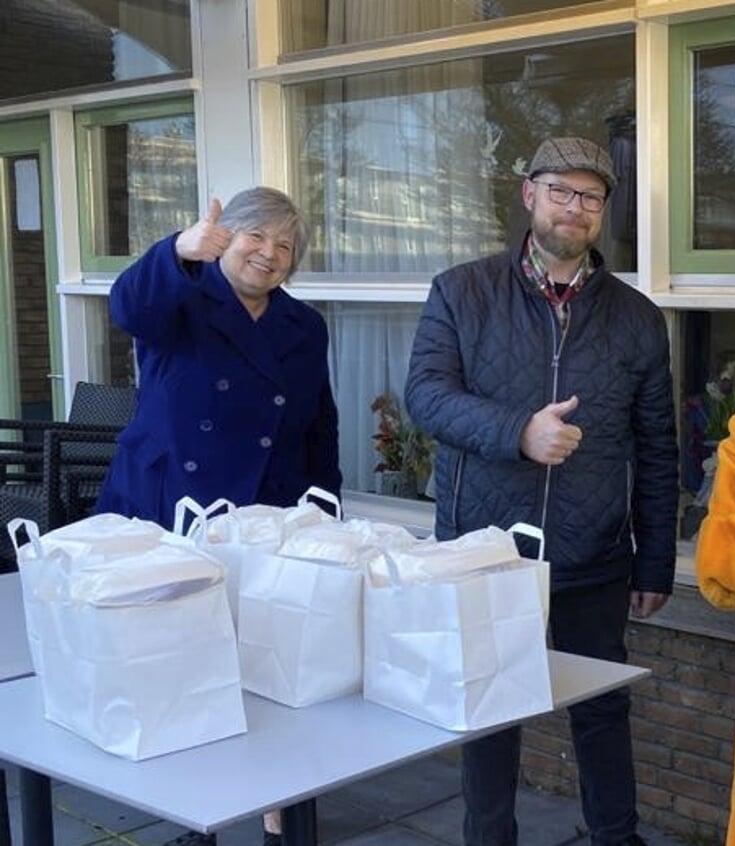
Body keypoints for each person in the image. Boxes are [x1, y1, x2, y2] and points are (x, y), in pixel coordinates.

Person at [405, 136, 677, 846]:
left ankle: (614, 837)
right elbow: (426, 397)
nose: (575, 207)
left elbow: (657, 448)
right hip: (486, 551)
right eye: (560, 190)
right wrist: (516, 432)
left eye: (591, 196)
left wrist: (653, 562)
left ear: (604, 213)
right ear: (528, 195)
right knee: (492, 714)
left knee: (601, 708)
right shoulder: (461, 292)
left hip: (594, 552)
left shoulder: (637, 317)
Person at [93, 186, 342, 846]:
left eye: (285, 245)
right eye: (255, 236)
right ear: (225, 238)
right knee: (178, 666)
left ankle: (276, 811)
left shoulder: (303, 326)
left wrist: (325, 507)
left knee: (264, 664)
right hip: (172, 506)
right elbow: (129, 307)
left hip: (267, 510)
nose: (269, 253)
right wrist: (177, 252)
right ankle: (189, 814)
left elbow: (320, 421)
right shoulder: (182, 298)